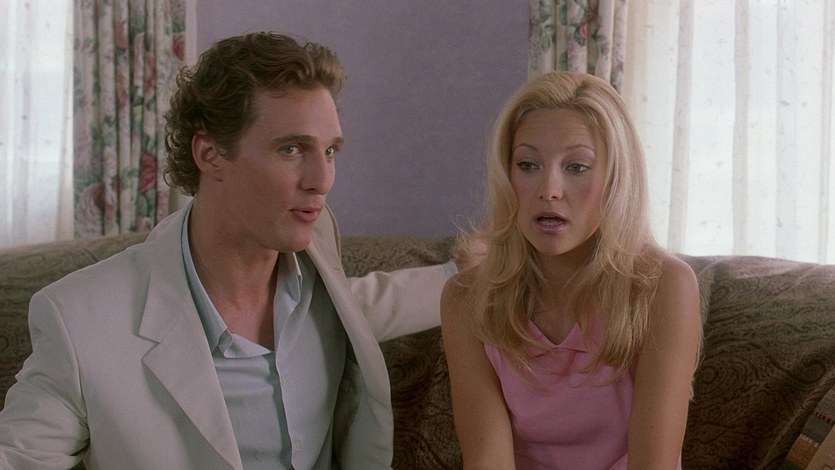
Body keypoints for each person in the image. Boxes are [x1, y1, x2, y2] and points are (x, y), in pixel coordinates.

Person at [0, 32, 467, 470]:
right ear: (210, 155)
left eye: (329, 151)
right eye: (291, 149)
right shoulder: (80, 319)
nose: (321, 180)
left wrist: (462, 274)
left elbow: (356, 305)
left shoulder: (315, 244)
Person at [440, 71, 702, 469]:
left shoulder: (664, 287)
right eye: (528, 164)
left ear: (616, 179)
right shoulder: (465, 299)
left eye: (576, 167)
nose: (549, 189)